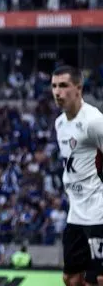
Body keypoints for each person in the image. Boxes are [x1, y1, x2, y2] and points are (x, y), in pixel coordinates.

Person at [52, 65, 103, 286]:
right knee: (71, 278)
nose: (57, 92)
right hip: (76, 212)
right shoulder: (60, 123)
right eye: (54, 86)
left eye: (63, 86)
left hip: (98, 211)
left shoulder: (94, 121)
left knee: (97, 279)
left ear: (78, 88)